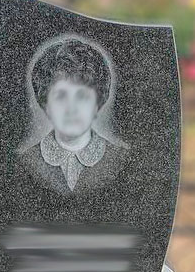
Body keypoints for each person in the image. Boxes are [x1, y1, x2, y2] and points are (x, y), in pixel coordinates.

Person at [18, 36, 127, 196]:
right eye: (61, 96)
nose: (71, 109)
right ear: (46, 105)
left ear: (97, 104)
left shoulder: (121, 160)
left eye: (82, 96)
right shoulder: (25, 162)